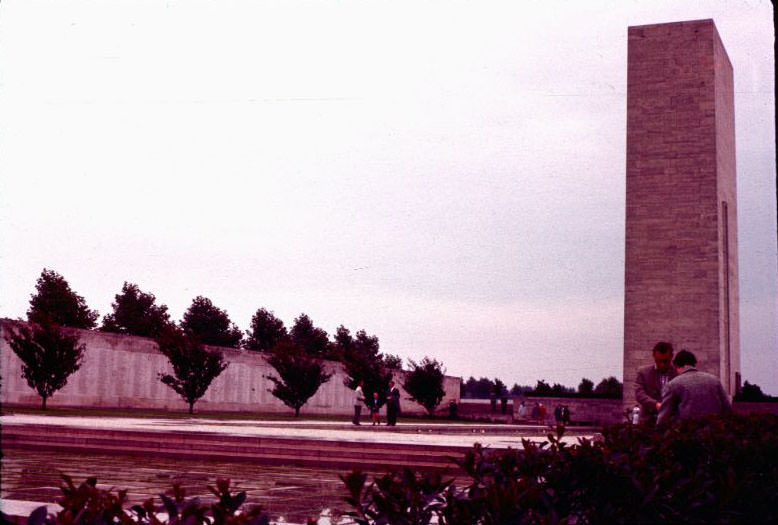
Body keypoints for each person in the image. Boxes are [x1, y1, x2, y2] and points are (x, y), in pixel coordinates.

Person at [657, 350, 732, 426]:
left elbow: (664, 415)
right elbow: (727, 408)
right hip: (714, 430)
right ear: (694, 364)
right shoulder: (715, 380)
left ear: (676, 366)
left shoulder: (673, 385)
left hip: (688, 432)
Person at [635, 341, 678, 424]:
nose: (662, 365)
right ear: (653, 356)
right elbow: (639, 394)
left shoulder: (678, 373)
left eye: (666, 361)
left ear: (671, 357)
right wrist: (655, 404)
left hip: (672, 423)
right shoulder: (643, 372)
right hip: (647, 421)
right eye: (659, 361)